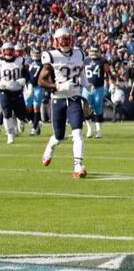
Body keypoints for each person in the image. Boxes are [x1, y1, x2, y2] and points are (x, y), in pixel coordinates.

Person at [38, 27, 89, 178]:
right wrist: (57, 86)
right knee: (59, 136)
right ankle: (50, 147)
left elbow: (81, 71)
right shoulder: (51, 56)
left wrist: (86, 84)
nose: (66, 42)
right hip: (58, 99)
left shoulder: (79, 53)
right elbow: (41, 81)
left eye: (68, 39)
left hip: (74, 98)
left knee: (78, 133)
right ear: (56, 41)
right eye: (63, 39)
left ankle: (78, 166)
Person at [0, 42, 29, 144]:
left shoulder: (20, 60)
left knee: (21, 115)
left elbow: (27, 74)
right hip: (4, 91)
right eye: (6, 50)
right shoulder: (0, 62)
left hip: (17, 91)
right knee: (6, 112)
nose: (9, 52)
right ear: (3, 51)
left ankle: (21, 121)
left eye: (10, 50)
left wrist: (24, 80)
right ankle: (10, 134)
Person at [82, 46, 112, 138]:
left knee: (98, 107)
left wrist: (111, 82)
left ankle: (99, 130)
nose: (94, 53)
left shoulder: (103, 61)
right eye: (92, 51)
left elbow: (108, 72)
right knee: (85, 107)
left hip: (99, 87)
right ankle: (90, 129)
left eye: (95, 51)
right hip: (87, 87)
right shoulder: (85, 61)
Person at [25, 48, 45, 135]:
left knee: (36, 107)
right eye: (34, 53)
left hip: (38, 87)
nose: (36, 55)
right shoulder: (31, 63)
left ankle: (34, 128)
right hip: (29, 86)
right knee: (28, 108)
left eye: (37, 53)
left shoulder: (43, 64)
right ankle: (37, 123)